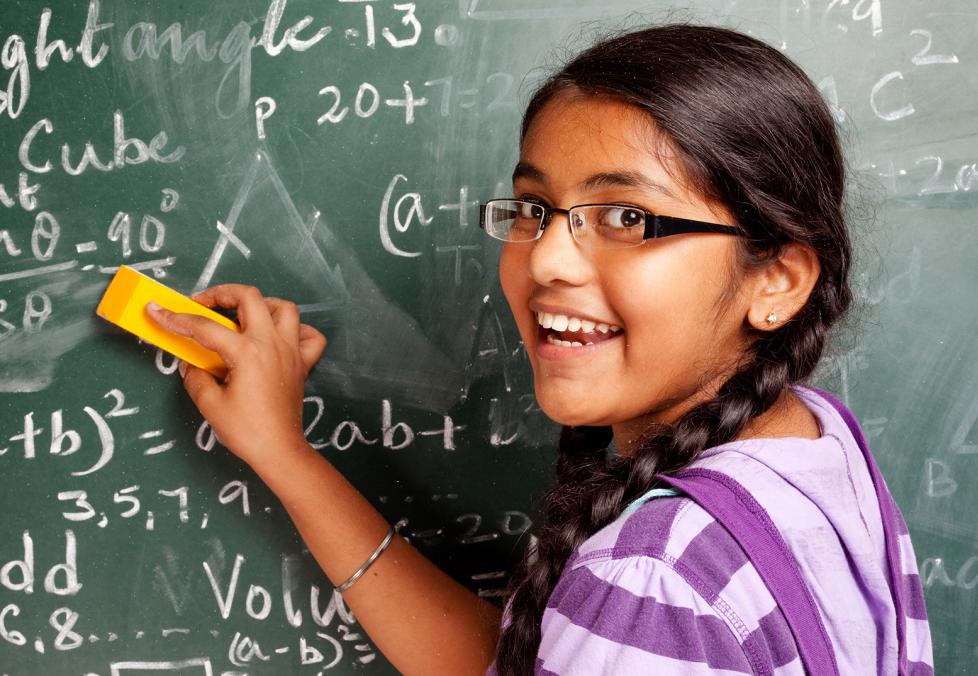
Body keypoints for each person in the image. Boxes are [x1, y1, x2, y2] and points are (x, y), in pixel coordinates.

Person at [146, 23, 933, 676]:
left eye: (628, 217)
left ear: (780, 281)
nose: (547, 258)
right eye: (535, 207)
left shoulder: (657, 577)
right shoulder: (814, 442)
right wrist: (287, 456)